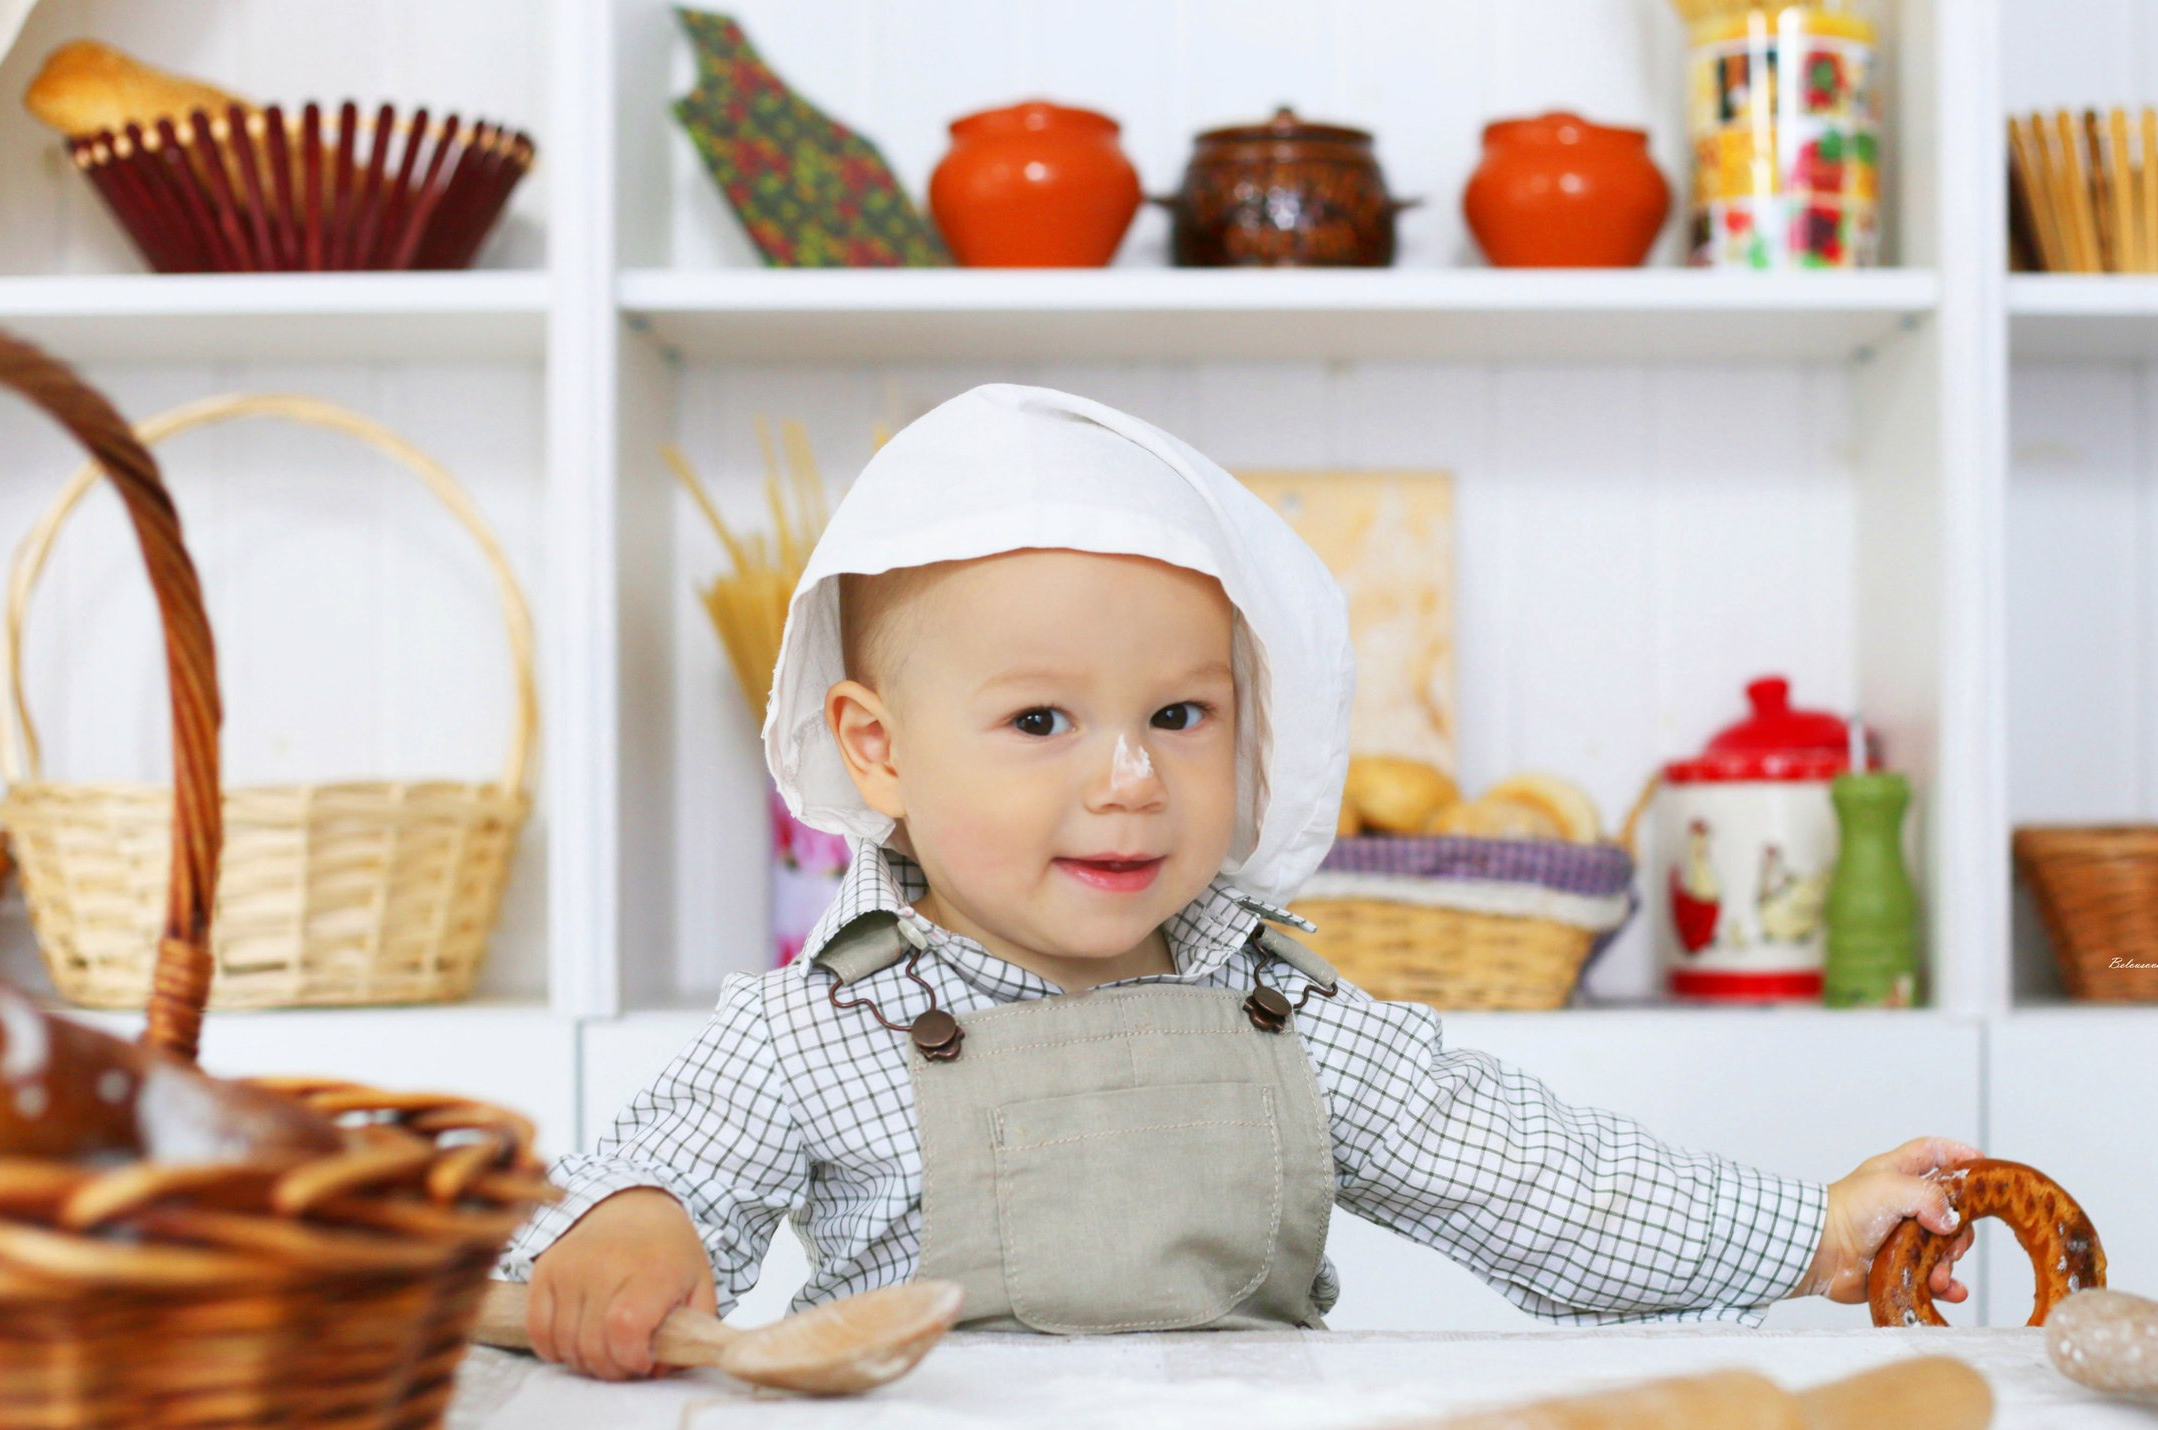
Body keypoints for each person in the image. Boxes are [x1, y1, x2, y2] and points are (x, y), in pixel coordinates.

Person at [499, 384, 1976, 1380]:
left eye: (1179, 715)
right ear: (876, 750)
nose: (1129, 777)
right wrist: (631, 1230)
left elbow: (1535, 1180)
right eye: (1040, 721)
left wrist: (1808, 1232)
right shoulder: (818, 1026)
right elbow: (658, 1175)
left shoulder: (1277, 1006)